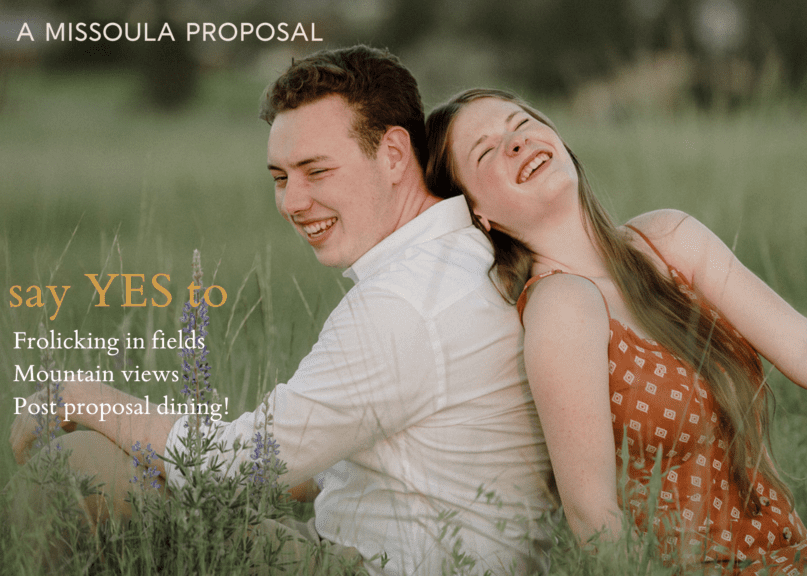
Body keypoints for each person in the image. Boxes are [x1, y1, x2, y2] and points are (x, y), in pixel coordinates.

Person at [424, 88, 807, 574]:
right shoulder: (559, 307)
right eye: (486, 151)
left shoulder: (666, 240)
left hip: (794, 554)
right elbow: (590, 514)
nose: (515, 141)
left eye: (519, 121)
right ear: (483, 214)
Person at [8, 49, 554, 575]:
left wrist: (83, 397)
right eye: (280, 177)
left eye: (316, 172)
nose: (292, 202)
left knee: (79, 465)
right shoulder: (463, 256)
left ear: (392, 153)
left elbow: (244, 468)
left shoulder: (404, 302)